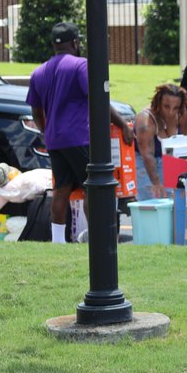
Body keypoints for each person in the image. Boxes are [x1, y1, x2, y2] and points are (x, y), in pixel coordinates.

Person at [27, 22, 133, 243]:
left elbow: (36, 110)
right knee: (91, 187)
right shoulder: (80, 66)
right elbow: (98, 99)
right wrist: (122, 124)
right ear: (75, 42)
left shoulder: (38, 72)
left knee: (61, 190)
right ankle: (97, 240)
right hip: (79, 137)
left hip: (55, 140)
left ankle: (58, 241)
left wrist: (47, 131)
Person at [134, 83, 187, 200]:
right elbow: (147, 155)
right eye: (166, 106)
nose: (170, 112)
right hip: (145, 162)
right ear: (158, 103)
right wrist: (156, 183)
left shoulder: (181, 114)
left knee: (172, 202)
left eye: (176, 108)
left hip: (169, 158)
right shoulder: (146, 121)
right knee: (150, 202)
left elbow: (183, 139)